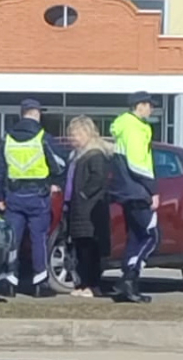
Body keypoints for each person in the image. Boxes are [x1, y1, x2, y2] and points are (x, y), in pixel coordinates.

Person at [0, 98, 65, 298]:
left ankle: (9, 282)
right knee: (38, 240)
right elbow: (59, 165)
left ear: (21, 114)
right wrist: (55, 182)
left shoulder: (7, 138)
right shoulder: (43, 137)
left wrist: (0, 196)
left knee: (13, 240)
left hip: (14, 196)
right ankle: (40, 283)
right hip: (38, 196)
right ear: (37, 114)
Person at [108, 91, 160, 304]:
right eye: (150, 105)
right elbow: (138, 163)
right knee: (151, 236)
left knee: (136, 236)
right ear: (140, 106)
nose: (152, 109)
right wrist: (153, 190)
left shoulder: (123, 125)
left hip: (126, 190)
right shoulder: (135, 128)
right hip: (137, 190)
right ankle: (129, 278)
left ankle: (128, 284)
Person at [64, 116, 112, 298]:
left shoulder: (95, 154)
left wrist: (83, 195)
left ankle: (92, 285)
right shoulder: (77, 156)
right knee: (79, 249)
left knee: (90, 249)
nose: (72, 138)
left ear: (86, 133)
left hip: (89, 210)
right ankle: (82, 284)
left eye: (75, 134)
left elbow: (98, 178)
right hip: (77, 209)